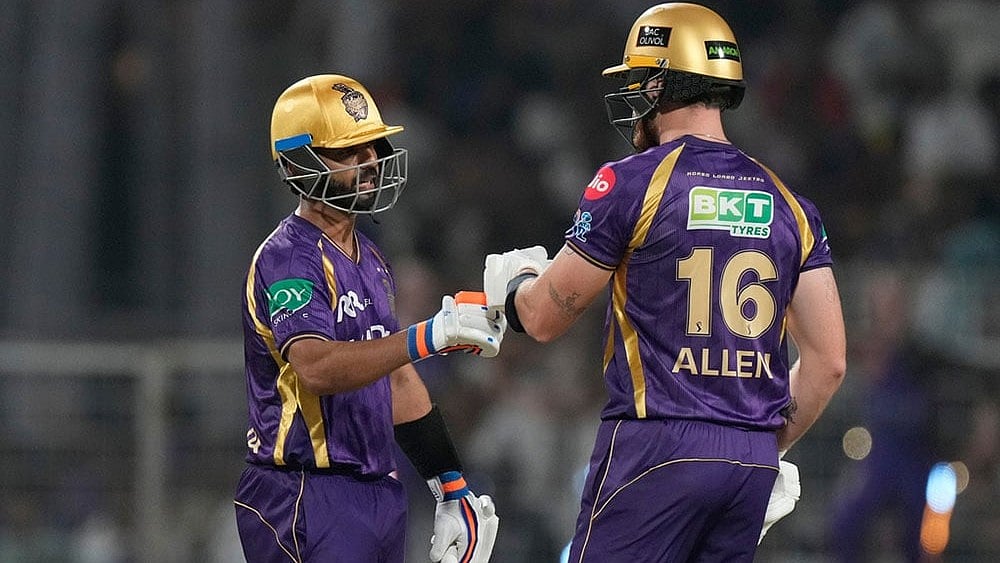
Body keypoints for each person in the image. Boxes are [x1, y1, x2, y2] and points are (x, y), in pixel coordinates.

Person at [483, 3, 846, 561]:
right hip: (749, 457)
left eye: (639, 80)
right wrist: (760, 445)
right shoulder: (791, 205)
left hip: (656, 445)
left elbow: (543, 318)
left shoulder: (629, 182)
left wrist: (515, 289)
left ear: (658, 84)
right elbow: (829, 363)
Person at [234, 74, 501, 563]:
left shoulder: (372, 258)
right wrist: (429, 335)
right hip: (305, 491)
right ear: (299, 162)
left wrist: (451, 485)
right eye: (348, 151)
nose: (371, 161)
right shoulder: (288, 259)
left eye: (372, 146)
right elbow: (316, 367)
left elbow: (396, 379)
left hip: (377, 492)